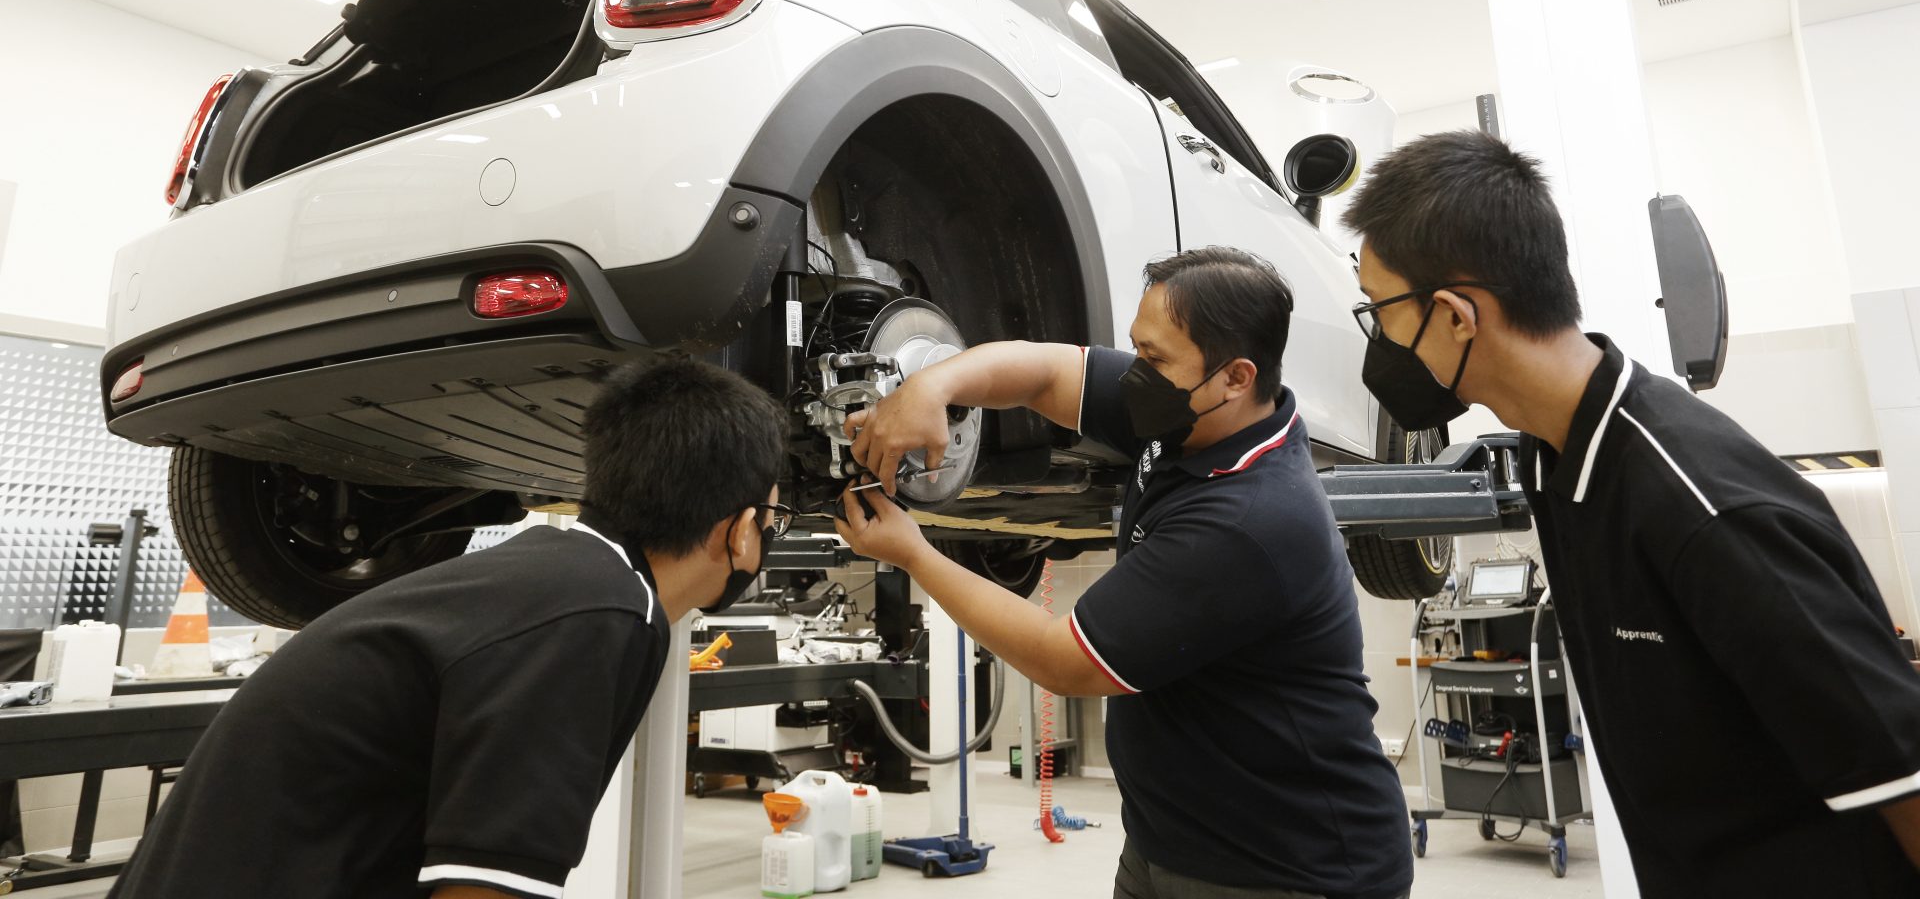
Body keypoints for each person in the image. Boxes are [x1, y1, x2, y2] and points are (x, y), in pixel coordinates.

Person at [1343, 130, 1920, 895]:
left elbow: (1901, 777)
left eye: (1379, 311)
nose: (1377, 341)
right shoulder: (1557, 458)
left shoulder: (1701, 506)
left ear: (1455, 315)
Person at [838, 246, 1413, 899]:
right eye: (1139, 349)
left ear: (1236, 376)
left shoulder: (1251, 517)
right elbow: (1046, 371)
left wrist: (915, 554)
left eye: (1155, 358)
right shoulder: (1189, 415)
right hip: (1169, 842)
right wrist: (932, 384)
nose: (1136, 370)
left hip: (1292, 868)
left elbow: (1065, 661)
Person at [110, 358, 792, 899]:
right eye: (771, 519)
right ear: (736, 532)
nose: (767, 537)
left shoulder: (564, 579)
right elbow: (483, 890)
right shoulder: (599, 612)